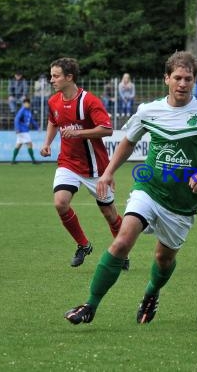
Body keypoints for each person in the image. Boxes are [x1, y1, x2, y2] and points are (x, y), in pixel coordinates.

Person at [64, 51, 197, 326]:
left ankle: (152, 293)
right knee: (122, 241)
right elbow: (128, 141)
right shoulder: (148, 111)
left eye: (188, 79)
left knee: (163, 259)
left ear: (195, 81)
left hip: (182, 202)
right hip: (148, 189)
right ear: (166, 79)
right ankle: (90, 304)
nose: (183, 84)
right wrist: (107, 172)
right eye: (177, 77)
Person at [40, 58, 129, 270]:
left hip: (96, 168)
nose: (51, 80)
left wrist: (78, 132)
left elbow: (107, 129)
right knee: (60, 202)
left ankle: (122, 254)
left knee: (110, 215)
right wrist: (47, 143)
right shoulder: (54, 101)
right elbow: (54, 120)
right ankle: (83, 245)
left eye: (56, 76)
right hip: (68, 163)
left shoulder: (89, 101)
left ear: (69, 77)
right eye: (51, 75)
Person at [11, 98, 39, 164]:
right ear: (24, 103)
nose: (28, 104)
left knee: (19, 145)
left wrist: (37, 127)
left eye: (28, 103)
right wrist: (17, 128)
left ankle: (13, 161)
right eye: (27, 103)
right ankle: (33, 161)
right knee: (30, 144)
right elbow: (16, 119)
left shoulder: (28, 111)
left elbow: (32, 120)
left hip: (24, 130)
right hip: (22, 130)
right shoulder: (22, 110)